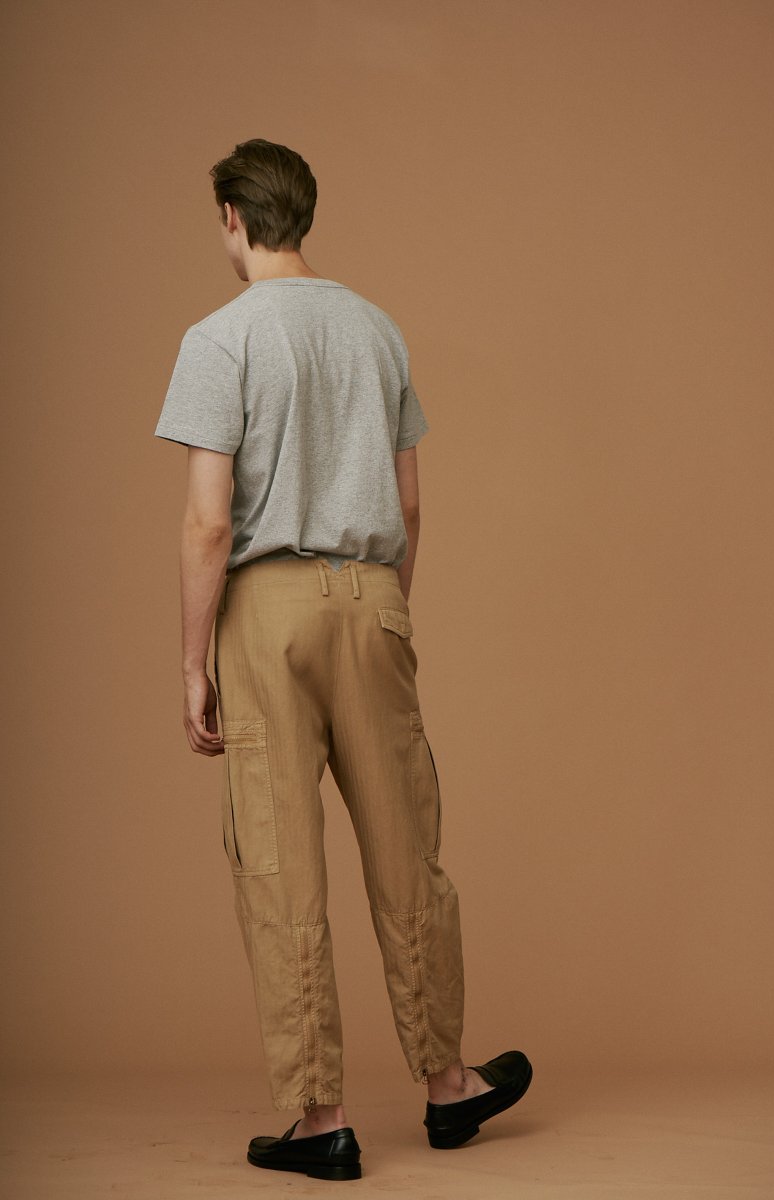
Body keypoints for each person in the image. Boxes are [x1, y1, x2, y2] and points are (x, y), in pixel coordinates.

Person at [154, 138, 532, 1181]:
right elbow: (407, 503)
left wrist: (192, 664)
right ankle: (448, 1083)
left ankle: (321, 1118)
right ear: (304, 213)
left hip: (264, 611)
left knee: (281, 863)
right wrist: (382, 612)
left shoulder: (219, 337)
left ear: (235, 217)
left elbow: (207, 522)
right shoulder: (376, 329)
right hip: (371, 597)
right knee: (406, 847)